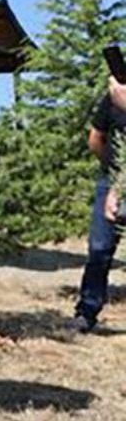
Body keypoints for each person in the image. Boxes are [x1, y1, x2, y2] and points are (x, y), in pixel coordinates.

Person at [71, 75, 126, 333]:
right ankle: (87, 311)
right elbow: (96, 138)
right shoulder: (113, 98)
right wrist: (113, 172)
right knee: (100, 248)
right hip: (113, 180)